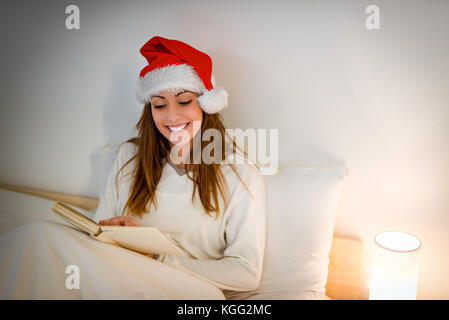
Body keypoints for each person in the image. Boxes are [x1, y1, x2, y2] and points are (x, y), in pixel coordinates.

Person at [93, 36, 267, 296]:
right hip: (117, 280)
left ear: (207, 105)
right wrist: (112, 234)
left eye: (184, 101)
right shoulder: (128, 156)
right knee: (39, 234)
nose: (172, 116)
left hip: (188, 293)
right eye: (159, 104)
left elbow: (247, 272)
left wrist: (158, 259)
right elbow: (96, 234)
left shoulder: (239, 175)